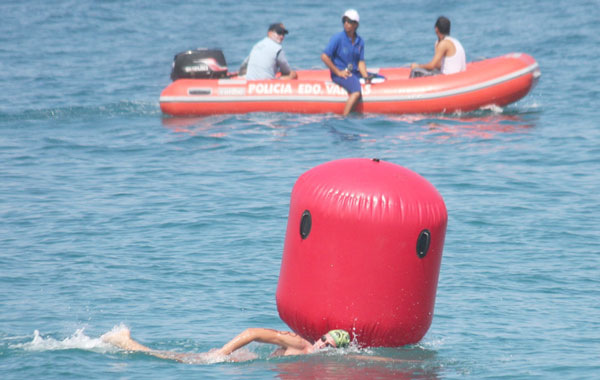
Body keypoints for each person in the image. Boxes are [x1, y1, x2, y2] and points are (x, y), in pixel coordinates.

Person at [101, 326, 351, 363]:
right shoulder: (299, 343)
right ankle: (126, 342)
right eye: (323, 340)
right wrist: (224, 352)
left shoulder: (321, 362)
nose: (322, 345)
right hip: (236, 360)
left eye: (328, 346)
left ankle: (127, 342)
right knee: (185, 360)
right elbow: (252, 332)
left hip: (251, 362)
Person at [321, 9, 370, 116]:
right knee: (356, 92)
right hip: (340, 73)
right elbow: (324, 56)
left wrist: (366, 76)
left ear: (356, 24)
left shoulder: (360, 41)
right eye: (344, 21)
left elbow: (360, 62)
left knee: (379, 78)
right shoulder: (337, 38)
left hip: (353, 72)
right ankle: (344, 116)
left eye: (349, 21)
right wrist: (338, 72)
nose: (346, 24)